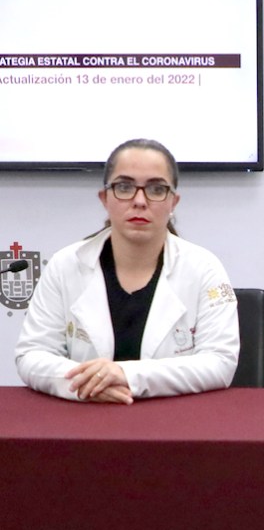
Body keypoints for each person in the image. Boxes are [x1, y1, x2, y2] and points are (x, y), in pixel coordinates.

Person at [16, 138, 239, 404]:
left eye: (156, 189)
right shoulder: (65, 265)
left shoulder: (204, 268)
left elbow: (220, 362)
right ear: (104, 198)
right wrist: (88, 386)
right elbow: (32, 354)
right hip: (86, 415)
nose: (139, 201)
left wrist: (126, 375)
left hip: (172, 418)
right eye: (124, 187)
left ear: (173, 202)